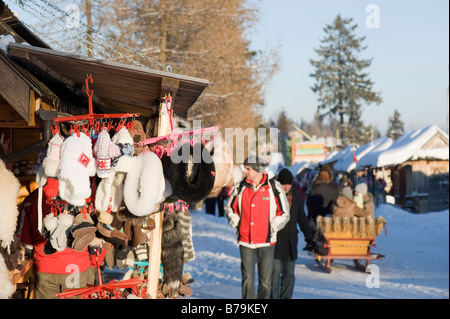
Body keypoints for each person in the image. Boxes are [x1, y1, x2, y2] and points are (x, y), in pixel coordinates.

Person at [15, 178, 100, 299]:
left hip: (45, 268)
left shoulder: (34, 198)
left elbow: (24, 239)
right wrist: (94, 261)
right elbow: (97, 234)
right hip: (78, 266)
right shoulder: (84, 196)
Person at [225, 155, 290, 299]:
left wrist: (272, 227)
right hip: (246, 240)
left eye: (248, 169)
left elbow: (284, 212)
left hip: (266, 240)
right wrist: (237, 223)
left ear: (257, 169)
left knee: (265, 281)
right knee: (247, 279)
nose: (245, 171)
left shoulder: (273, 186)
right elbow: (230, 207)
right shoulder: (240, 186)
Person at [271, 169, 313, 299]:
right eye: (284, 184)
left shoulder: (295, 194)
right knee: (275, 273)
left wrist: (309, 237)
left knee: (289, 274)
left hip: (290, 241)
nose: (287, 187)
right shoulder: (273, 195)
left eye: (289, 184)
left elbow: (301, 216)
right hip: (276, 241)